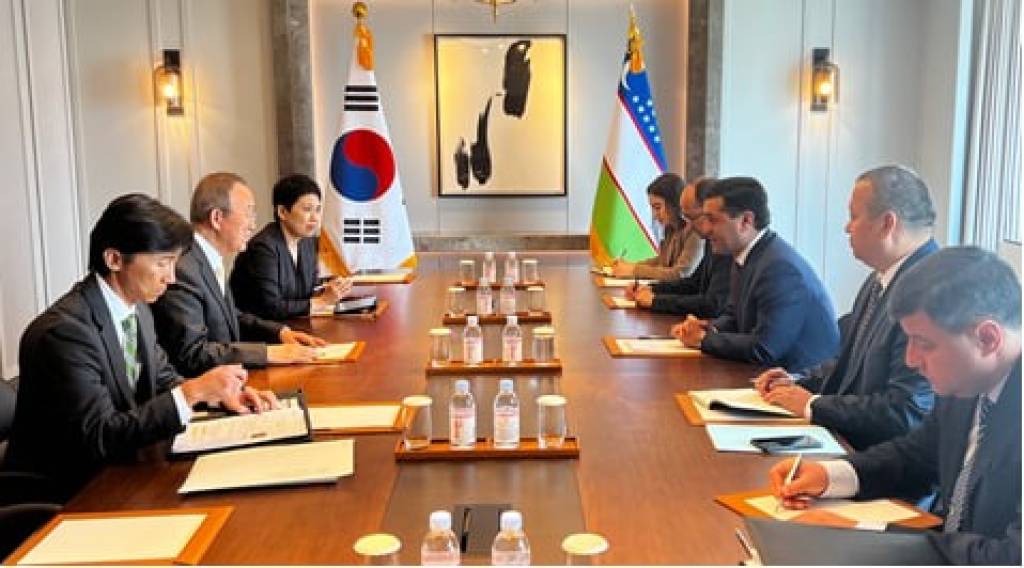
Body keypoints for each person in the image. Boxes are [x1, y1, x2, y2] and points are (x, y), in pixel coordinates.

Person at [3, 194, 279, 499]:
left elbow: (162, 378)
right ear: (114, 260)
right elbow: (101, 435)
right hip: (71, 492)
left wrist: (218, 395)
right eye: (162, 263)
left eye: (174, 263)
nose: (171, 278)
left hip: (124, 471)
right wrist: (191, 393)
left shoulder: (138, 309)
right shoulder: (65, 333)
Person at [768, 247, 1021, 565]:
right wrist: (831, 475)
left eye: (924, 344)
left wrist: (874, 541)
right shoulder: (965, 385)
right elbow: (916, 456)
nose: (911, 360)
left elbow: (1011, 556)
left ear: (987, 339)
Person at [754, 166, 938, 450]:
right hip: (846, 442)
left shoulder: (928, 291)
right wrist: (799, 381)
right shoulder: (879, 278)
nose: (847, 227)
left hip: (881, 459)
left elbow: (905, 410)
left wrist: (814, 405)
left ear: (886, 224)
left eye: (853, 216)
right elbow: (849, 364)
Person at [151, 172, 325, 377]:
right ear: (217, 218)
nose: (253, 225)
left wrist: (280, 333)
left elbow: (231, 316)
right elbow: (192, 353)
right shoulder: (183, 269)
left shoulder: (206, 258)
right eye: (248, 213)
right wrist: (267, 353)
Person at [672, 177, 839, 371]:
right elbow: (734, 316)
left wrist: (704, 339)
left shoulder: (779, 268)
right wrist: (708, 327)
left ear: (746, 221)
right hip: (763, 374)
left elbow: (765, 348)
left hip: (797, 379)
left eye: (713, 220)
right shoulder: (748, 254)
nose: (706, 229)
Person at [230, 174, 352, 320]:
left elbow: (306, 291)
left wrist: (329, 288)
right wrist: (322, 301)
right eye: (307, 209)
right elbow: (272, 307)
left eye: (318, 210)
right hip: (261, 330)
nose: (315, 218)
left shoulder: (308, 242)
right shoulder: (263, 248)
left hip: (295, 325)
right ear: (282, 212)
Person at [625, 177, 732, 318]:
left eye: (693, 218)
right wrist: (651, 289)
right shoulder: (711, 241)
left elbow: (712, 304)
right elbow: (693, 284)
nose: (690, 226)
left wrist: (656, 301)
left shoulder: (726, 247)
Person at [610, 173, 704, 280]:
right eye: (652, 208)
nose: (654, 215)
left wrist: (634, 270)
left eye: (658, 207)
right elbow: (662, 260)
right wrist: (628, 266)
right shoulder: (670, 229)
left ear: (674, 204)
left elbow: (679, 274)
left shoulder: (695, 232)